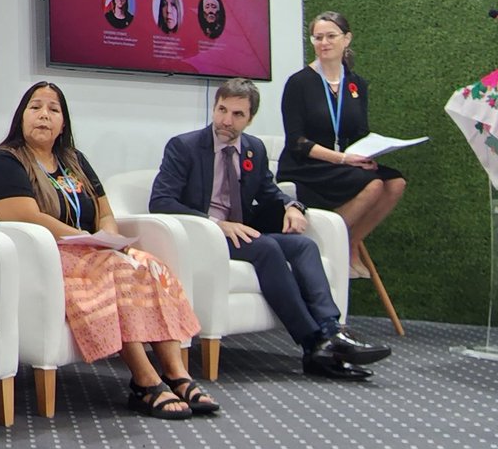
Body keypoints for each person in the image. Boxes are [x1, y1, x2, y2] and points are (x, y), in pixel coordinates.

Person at [0, 82, 216, 419]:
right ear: (21, 116)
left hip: (90, 251)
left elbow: (105, 212)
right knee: (115, 272)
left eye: (53, 109)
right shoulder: (3, 161)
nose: (44, 115)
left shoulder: (74, 161)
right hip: (43, 259)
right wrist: (86, 240)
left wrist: (109, 239)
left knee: (150, 266)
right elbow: (28, 218)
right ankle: (145, 381)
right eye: (35, 107)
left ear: (63, 123)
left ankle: (177, 375)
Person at [149, 77, 391, 381]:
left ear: (250, 118)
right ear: (214, 108)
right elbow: (161, 200)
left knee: (304, 245)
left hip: (242, 234)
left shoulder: (253, 148)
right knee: (266, 247)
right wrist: (217, 224)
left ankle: (332, 331)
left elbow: (268, 191)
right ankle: (314, 343)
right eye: (222, 110)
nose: (226, 121)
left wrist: (293, 206)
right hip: (204, 235)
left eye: (237, 114)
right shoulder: (184, 147)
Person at [277, 11, 406, 277]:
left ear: (346, 39)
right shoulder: (299, 83)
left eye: (331, 36)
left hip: (344, 164)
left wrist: (368, 155)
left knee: (395, 183)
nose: (324, 43)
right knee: (373, 185)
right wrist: (344, 159)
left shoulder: (356, 84)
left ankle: (350, 240)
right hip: (307, 165)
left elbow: (360, 133)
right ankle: (333, 241)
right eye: (318, 37)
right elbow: (297, 142)